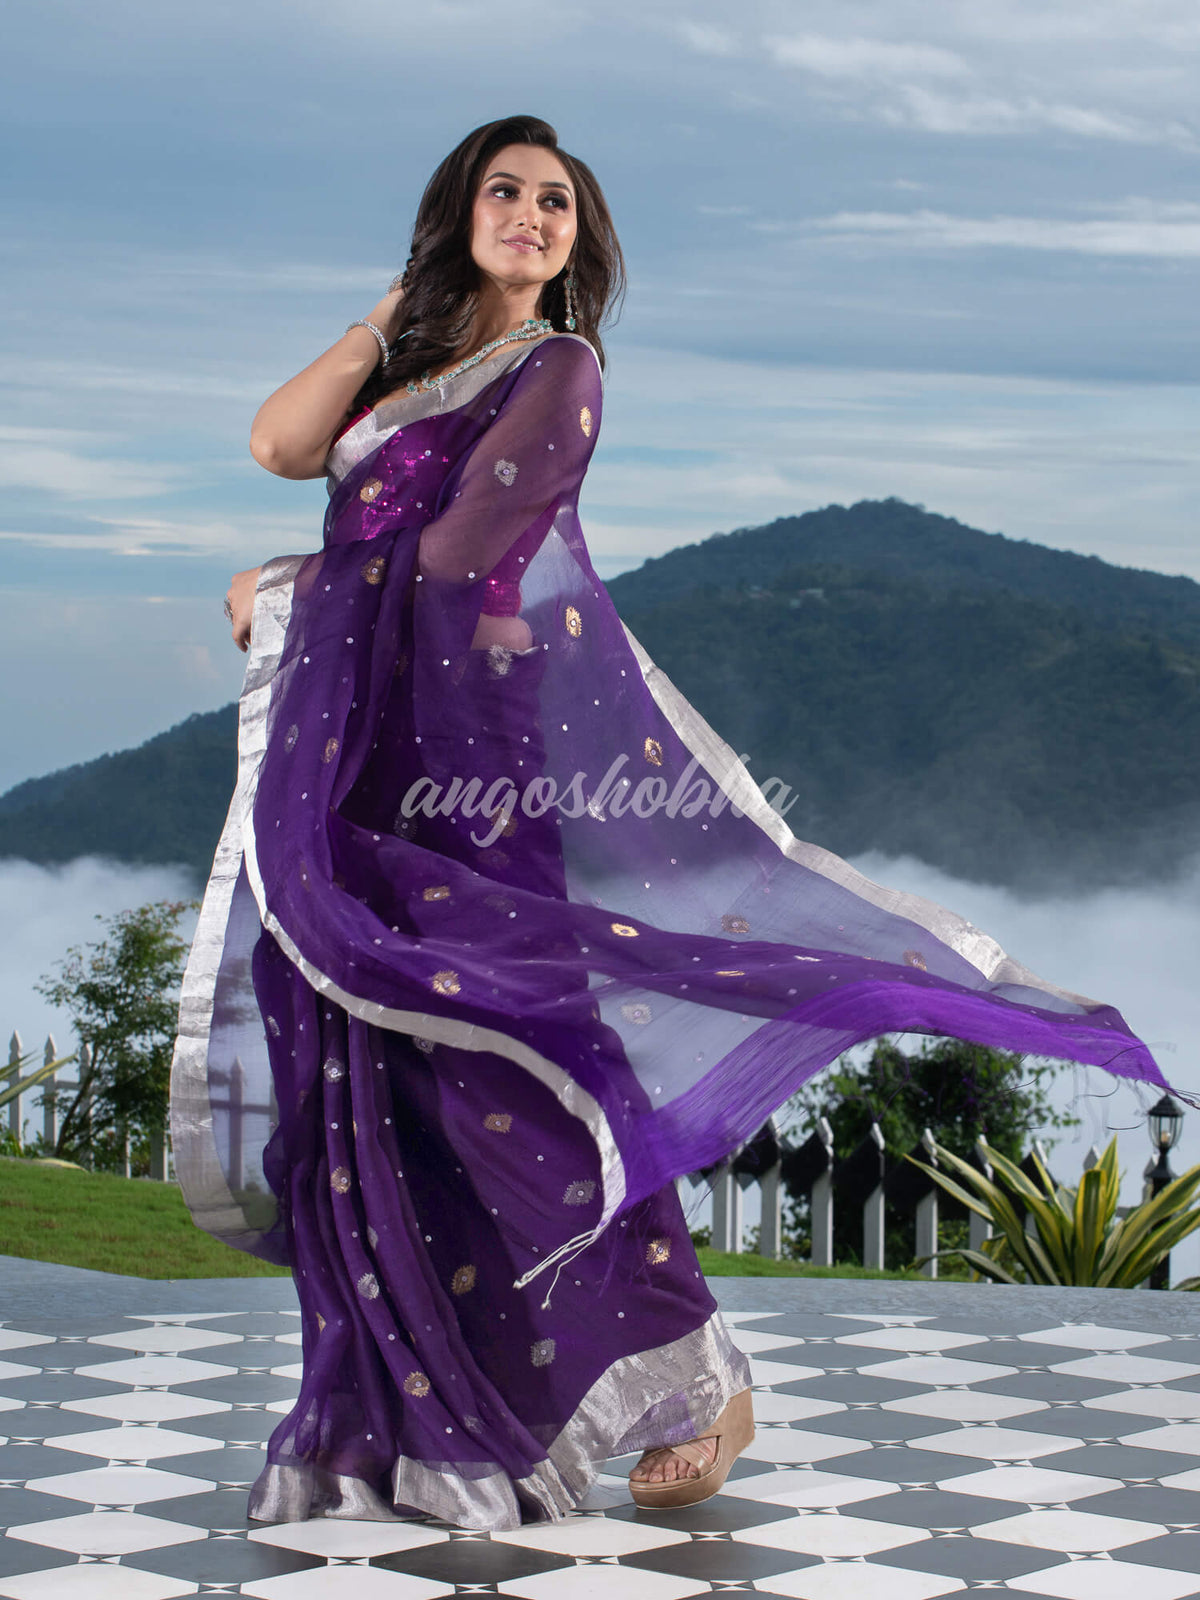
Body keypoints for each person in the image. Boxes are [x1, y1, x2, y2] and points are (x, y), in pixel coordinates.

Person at [170, 114, 1178, 1533]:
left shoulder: (558, 369)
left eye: (558, 204)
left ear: (580, 242)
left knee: (515, 1070)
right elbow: (279, 442)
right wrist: (388, 315)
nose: (532, 216)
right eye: (504, 192)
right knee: (380, 1079)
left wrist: (287, 589)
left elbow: (458, 560)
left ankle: (703, 1379)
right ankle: (420, 1417)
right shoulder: (417, 369)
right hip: (357, 760)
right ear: (458, 210)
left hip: (464, 766)